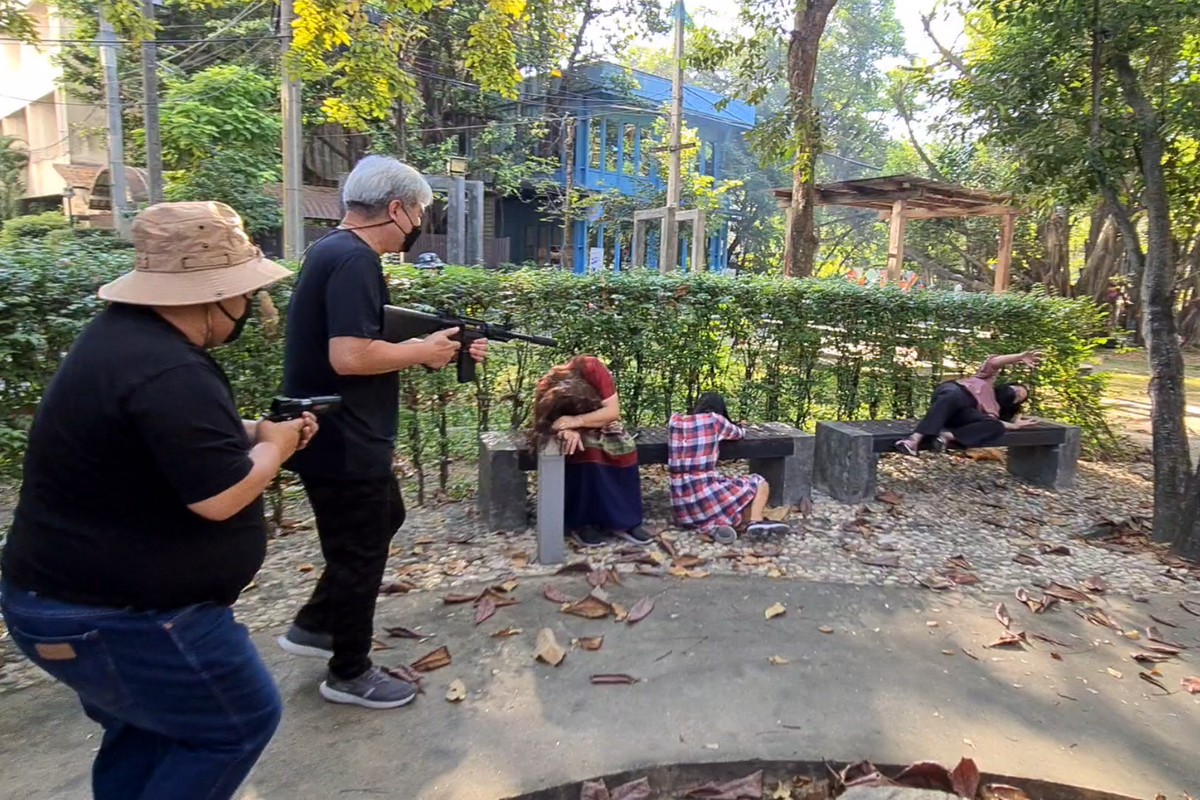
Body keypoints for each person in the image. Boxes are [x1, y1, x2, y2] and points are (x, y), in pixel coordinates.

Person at [0, 201, 314, 800]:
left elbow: (166, 435)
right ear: (212, 295)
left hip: (63, 600)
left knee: (150, 732)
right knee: (237, 722)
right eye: (245, 294)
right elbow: (220, 496)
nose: (250, 307)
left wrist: (258, 433)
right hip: (118, 616)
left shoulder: (124, 341)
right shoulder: (168, 369)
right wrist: (274, 450)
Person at [277, 155, 487, 710]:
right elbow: (349, 356)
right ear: (396, 209)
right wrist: (421, 351)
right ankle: (349, 671)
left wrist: (435, 345)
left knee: (382, 518)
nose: (418, 224)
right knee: (361, 550)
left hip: (332, 431)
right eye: (418, 212)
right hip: (345, 438)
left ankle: (317, 624)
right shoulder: (354, 260)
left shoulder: (331, 250)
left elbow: (363, 337)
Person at [530, 355, 652, 548]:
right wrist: (565, 429)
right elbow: (544, 424)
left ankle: (625, 520)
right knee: (584, 449)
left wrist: (577, 421)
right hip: (569, 431)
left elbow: (612, 412)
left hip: (598, 420)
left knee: (623, 446)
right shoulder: (547, 386)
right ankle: (583, 522)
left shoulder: (591, 367)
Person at [668, 393, 791, 545]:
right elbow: (739, 434)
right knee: (759, 482)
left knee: (723, 486)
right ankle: (755, 522)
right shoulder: (714, 420)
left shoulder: (675, 421)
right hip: (704, 491)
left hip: (681, 508)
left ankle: (715, 527)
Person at [894, 351, 1041, 456]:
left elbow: (994, 423)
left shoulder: (994, 412)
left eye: (1019, 397)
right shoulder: (986, 380)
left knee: (995, 426)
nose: (1016, 393)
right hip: (957, 392)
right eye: (1016, 389)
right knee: (953, 396)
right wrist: (1019, 357)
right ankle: (913, 440)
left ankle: (947, 436)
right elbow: (993, 362)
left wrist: (1015, 426)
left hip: (962, 416)